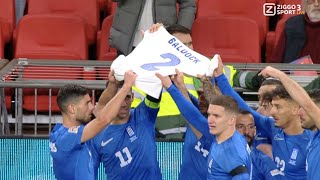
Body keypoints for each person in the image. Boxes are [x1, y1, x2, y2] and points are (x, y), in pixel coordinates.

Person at [214, 56, 313, 179]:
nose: (272, 111)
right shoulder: (273, 127)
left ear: (295, 109)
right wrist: (220, 77)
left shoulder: (311, 141)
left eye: (278, 107)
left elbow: (308, 104)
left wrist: (280, 75)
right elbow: (243, 108)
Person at [156, 73, 251, 179]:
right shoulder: (218, 136)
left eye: (216, 116)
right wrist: (178, 86)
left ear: (231, 120)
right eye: (210, 115)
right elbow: (192, 113)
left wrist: (170, 87)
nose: (210, 120)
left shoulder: (232, 151)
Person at [49, 70, 136, 179]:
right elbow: (103, 119)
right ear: (72, 108)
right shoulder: (66, 139)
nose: (92, 107)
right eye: (87, 103)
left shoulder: (73, 131)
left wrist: (112, 84)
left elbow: (102, 106)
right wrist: (126, 86)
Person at [91, 70, 162, 179]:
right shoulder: (97, 133)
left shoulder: (143, 114)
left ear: (133, 97)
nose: (124, 104)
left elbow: (154, 94)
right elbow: (90, 173)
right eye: (119, 98)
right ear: (111, 101)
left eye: (127, 97)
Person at [259, 66, 320, 180]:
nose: (300, 112)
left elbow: (307, 103)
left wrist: (280, 75)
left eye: (304, 109)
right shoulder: (313, 138)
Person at [110, 0, 196, 56]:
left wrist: (180, 32)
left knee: (162, 82)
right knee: (125, 82)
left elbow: (188, 5)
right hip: (128, 41)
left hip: (163, 41)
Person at [236, 110, 286, 180]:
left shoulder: (263, 161)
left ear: (255, 131)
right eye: (241, 127)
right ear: (232, 129)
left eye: (250, 127)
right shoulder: (220, 156)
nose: (246, 131)